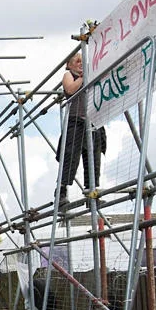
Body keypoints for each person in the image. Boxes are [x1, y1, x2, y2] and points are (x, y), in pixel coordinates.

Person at [58, 52, 106, 205]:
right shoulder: (69, 75)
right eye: (77, 61)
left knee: (93, 158)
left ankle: (91, 191)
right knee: (70, 156)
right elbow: (70, 89)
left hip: (92, 121)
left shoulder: (90, 74)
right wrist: (82, 78)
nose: (80, 64)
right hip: (76, 120)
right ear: (69, 65)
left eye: (82, 61)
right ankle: (61, 192)